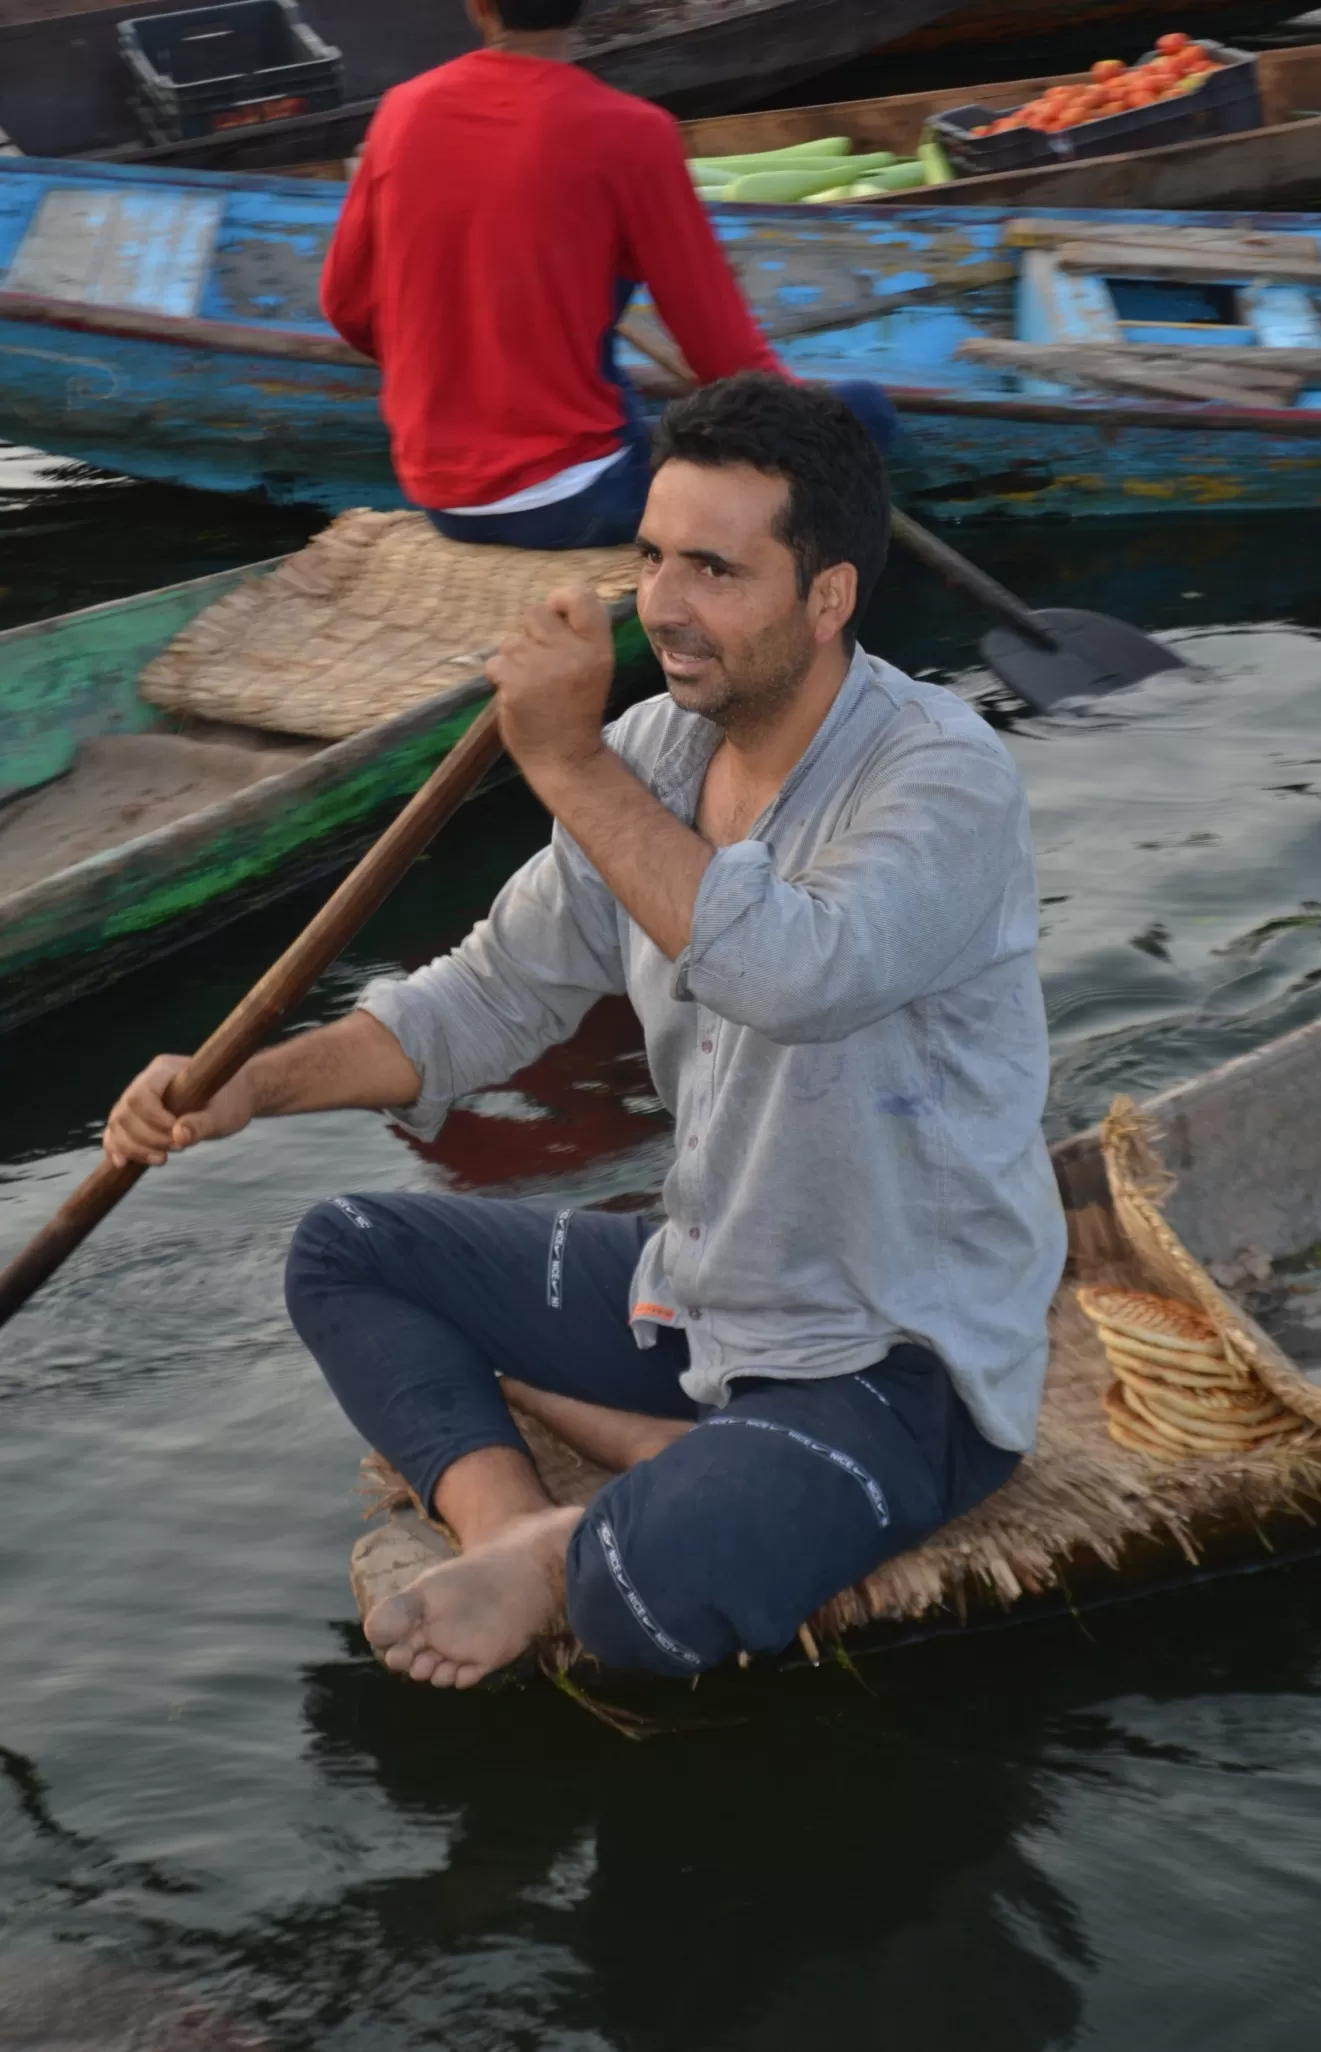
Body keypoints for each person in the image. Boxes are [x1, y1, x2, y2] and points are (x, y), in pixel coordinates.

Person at [104, 375, 1066, 1688]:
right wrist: (248, 1086)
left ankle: (585, 1547)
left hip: (894, 1352)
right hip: (707, 1289)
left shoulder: (939, 779)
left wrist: (563, 764)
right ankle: (519, 1524)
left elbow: (792, 976)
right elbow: (486, 999)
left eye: (716, 569)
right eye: (655, 557)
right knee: (348, 1252)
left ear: (826, 598)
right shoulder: (658, 750)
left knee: (637, 1611)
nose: (664, 603)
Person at [319, 0, 789, 549]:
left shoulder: (401, 111)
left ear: (477, 7)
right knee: (862, 410)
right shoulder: (633, 131)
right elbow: (724, 359)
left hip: (441, 494)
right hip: (581, 497)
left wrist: (459, 370)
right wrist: (815, 421)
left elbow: (345, 306)